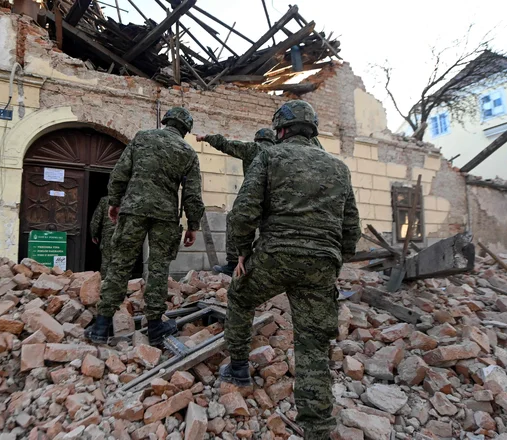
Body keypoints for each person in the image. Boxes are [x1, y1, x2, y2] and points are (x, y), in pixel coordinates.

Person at [219, 100, 361, 440]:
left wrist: (240, 253)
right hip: (321, 265)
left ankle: (238, 369)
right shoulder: (339, 168)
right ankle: (318, 428)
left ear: (280, 130)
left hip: (275, 256)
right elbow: (351, 225)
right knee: (312, 344)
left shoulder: (269, 156)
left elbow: (243, 212)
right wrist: (336, 259)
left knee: (240, 297)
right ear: (311, 129)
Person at [85, 107, 205, 346]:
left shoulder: (142, 138)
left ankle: (102, 325)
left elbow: (120, 172)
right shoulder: (188, 153)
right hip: (165, 216)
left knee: (120, 263)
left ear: (166, 121)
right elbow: (192, 194)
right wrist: (193, 225)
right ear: (186, 130)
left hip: (133, 209)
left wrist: (115, 201)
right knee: (159, 269)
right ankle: (156, 328)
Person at [195, 128, 276, 276]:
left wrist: (205, 137)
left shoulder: (253, 149)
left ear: (257, 140)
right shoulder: (280, 152)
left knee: (234, 219)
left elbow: (226, 144)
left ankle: (233, 264)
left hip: (256, 197)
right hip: (278, 202)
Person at [89, 195, 115, 278]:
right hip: (125, 233)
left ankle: (104, 283)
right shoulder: (129, 199)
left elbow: (96, 219)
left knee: (106, 260)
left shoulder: (105, 200)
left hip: (109, 233)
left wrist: (94, 234)